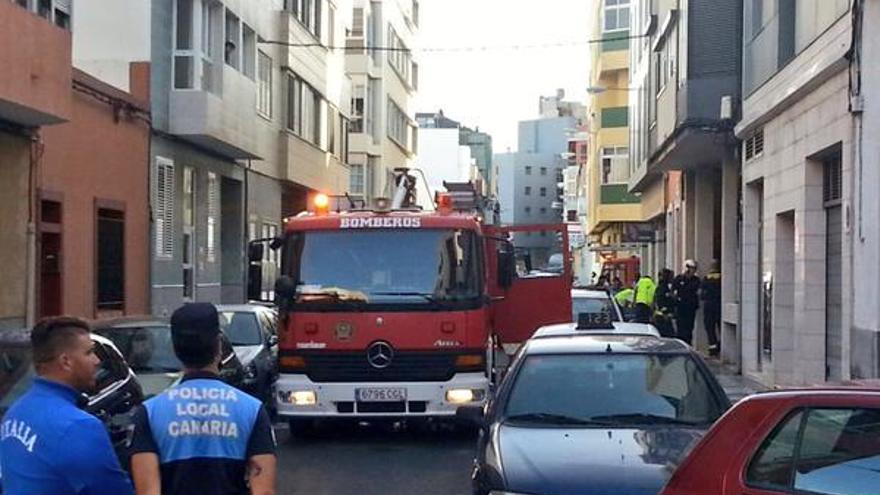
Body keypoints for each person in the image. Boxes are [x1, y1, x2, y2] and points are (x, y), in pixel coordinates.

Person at [130, 303, 277, 495]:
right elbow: (263, 491)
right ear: (219, 346)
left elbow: (148, 491)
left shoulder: (150, 413)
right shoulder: (252, 410)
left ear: (175, 349)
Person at [0, 317, 134, 495]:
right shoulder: (78, 426)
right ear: (66, 361)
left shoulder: (14, 414)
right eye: (89, 353)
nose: (97, 360)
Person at [673, 260, 702, 345]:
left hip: (691, 308)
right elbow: (673, 291)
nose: (694, 271)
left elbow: (698, 291)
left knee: (689, 328)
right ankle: (680, 345)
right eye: (692, 268)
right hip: (680, 307)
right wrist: (676, 300)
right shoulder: (679, 279)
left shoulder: (696, 280)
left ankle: (688, 344)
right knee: (680, 328)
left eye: (695, 269)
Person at [701, 260, 722, 357]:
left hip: (708, 305)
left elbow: (701, 294)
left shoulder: (706, 279)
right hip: (719, 305)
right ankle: (719, 346)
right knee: (720, 326)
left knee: (710, 327)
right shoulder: (722, 278)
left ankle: (713, 348)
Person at [653, 269, 677, 338]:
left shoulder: (663, 287)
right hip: (663, 317)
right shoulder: (662, 288)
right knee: (668, 335)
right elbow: (661, 302)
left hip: (662, 316)